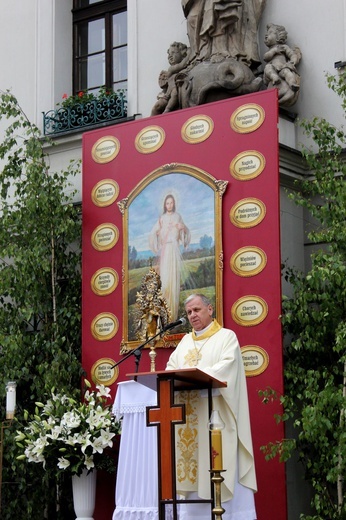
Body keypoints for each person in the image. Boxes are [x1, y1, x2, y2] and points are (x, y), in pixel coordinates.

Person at [166, 293, 257, 519]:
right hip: (188, 419)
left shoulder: (227, 337)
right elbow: (170, 368)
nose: (192, 315)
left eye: (196, 310)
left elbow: (228, 367)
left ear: (210, 309)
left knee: (216, 464)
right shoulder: (185, 342)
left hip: (215, 417)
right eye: (188, 312)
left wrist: (199, 376)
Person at [149, 194, 191, 321]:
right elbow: (153, 234)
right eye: (167, 203)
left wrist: (182, 228)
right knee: (166, 280)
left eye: (171, 203)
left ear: (174, 204)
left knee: (174, 280)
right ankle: (165, 314)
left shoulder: (178, 216)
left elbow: (186, 232)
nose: (169, 205)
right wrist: (158, 234)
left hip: (174, 251)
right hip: (166, 251)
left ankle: (173, 314)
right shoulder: (161, 219)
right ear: (164, 205)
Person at [263, 23, 301, 93]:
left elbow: (292, 54)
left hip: (282, 67)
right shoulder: (271, 50)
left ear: (279, 36)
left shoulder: (284, 47)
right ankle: (274, 77)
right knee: (268, 68)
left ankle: (292, 83)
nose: (266, 35)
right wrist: (274, 51)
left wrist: (293, 60)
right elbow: (266, 57)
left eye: (270, 32)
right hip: (272, 67)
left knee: (287, 72)